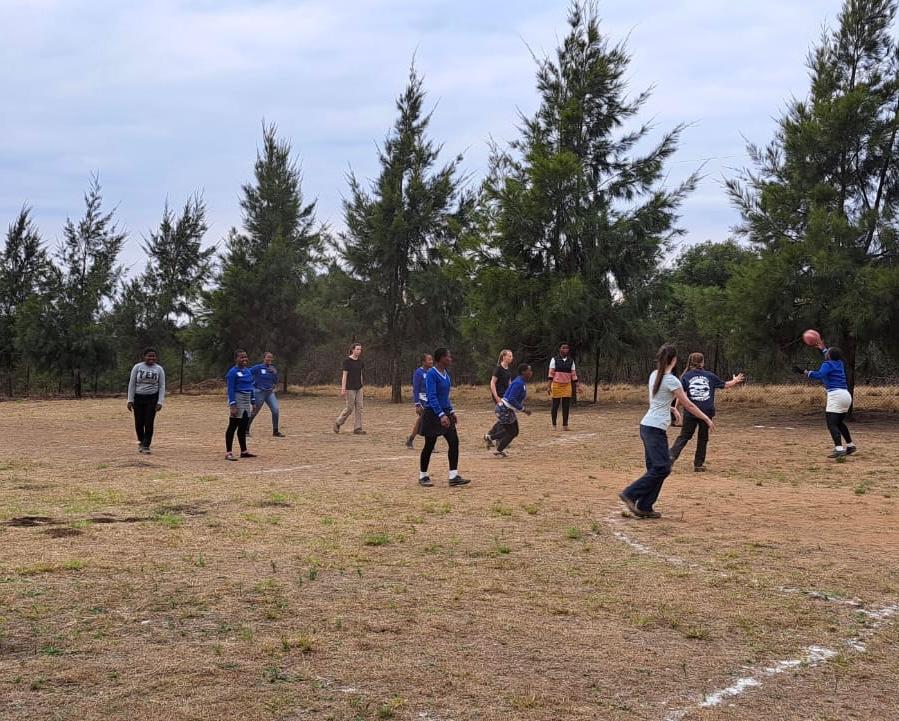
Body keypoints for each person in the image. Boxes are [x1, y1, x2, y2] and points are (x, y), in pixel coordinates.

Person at [619, 344, 715, 519]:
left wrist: (671, 409)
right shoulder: (671, 380)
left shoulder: (654, 375)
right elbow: (689, 404)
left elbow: (657, 400)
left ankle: (645, 506)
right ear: (674, 360)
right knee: (662, 468)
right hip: (654, 429)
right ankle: (630, 494)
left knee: (655, 468)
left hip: (647, 426)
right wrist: (706, 418)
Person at [670, 352, 745, 471]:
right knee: (703, 438)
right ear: (702, 362)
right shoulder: (709, 375)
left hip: (691, 412)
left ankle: (671, 457)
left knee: (684, 436)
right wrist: (735, 380)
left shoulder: (685, 376)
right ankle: (698, 464)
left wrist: (677, 408)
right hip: (706, 411)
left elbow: (681, 396)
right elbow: (725, 385)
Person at [418, 348, 470, 487]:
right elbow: (432, 396)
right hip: (433, 414)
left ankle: (453, 476)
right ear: (441, 359)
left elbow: (445, 397)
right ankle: (423, 475)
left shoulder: (446, 375)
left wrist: (451, 412)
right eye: (448, 357)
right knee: (429, 445)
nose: (450, 359)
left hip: (445, 412)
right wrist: (441, 415)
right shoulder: (431, 374)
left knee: (454, 442)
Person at [800, 344, 856, 458]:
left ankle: (839, 449)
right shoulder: (839, 363)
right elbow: (830, 354)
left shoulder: (827, 364)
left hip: (836, 395)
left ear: (829, 356)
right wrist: (822, 348)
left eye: (827, 352)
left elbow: (820, 374)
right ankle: (850, 446)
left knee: (831, 424)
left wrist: (805, 372)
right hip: (845, 395)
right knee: (839, 423)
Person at [127, 348, 165, 454]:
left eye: (153, 356)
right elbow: (132, 384)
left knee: (149, 422)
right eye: (149, 356)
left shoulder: (159, 369)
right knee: (139, 423)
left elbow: (162, 386)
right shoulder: (137, 367)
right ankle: (141, 441)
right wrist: (130, 400)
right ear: (144, 357)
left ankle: (146, 445)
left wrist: (160, 402)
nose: (151, 358)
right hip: (138, 398)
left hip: (152, 398)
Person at [492, 363, 533, 457]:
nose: (531, 372)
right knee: (512, 432)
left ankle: (491, 438)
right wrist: (523, 409)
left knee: (513, 431)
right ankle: (498, 448)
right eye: (529, 370)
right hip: (504, 409)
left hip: (507, 409)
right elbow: (511, 399)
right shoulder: (519, 382)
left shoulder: (521, 382)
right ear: (523, 372)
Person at [225, 349, 257, 461]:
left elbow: (251, 386)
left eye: (245, 357)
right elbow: (230, 389)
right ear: (236, 359)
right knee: (233, 426)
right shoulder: (232, 372)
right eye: (241, 357)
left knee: (243, 426)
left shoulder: (248, 371)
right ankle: (228, 452)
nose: (244, 359)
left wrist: (253, 401)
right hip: (237, 399)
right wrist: (232, 404)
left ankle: (244, 451)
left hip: (246, 399)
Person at [248, 352, 285, 437]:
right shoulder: (258, 367)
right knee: (255, 411)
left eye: (271, 358)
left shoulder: (272, 369)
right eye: (268, 357)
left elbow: (275, 381)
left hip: (269, 392)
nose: (269, 359)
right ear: (264, 358)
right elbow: (248, 373)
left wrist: (275, 373)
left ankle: (275, 431)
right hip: (259, 392)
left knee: (275, 410)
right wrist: (252, 384)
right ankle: (246, 429)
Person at [483, 349, 514, 449]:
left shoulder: (508, 369)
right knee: (505, 418)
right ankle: (498, 440)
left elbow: (509, 383)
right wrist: (496, 397)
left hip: (506, 396)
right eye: (509, 356)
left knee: (505, 418)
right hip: (499, 396)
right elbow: (492, 383)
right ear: (504, 357)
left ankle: (489, 436)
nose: (511, 358)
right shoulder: (498, 369)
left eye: (511, 356)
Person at [334, 343, 365, 435]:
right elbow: (344, 375)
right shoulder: (347, 361)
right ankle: (338, 422)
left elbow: (360, 374)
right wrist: (343, 388)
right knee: (350, 408)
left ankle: (358, 428)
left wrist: (362, 385)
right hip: (350, 388)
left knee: (359, 407)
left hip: (359, 387)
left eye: (360, 349)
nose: (359, 351)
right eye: (357, 349)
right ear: (353, 350)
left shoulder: (360, 362)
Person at [548, 342, 578, 430]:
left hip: (567, 385)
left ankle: (565, 425)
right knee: (555, 405)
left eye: (567, 348)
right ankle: (554, 425)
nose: (565, 350)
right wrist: (549, 386)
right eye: (563, 348)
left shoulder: (571, 361)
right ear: (560, 349)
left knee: (566, 406)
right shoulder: (554, 360)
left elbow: (574, 374)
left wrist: (578, 386)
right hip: (557, 384)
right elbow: (551, 374)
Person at [406, 353, 434, 449]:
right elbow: (416, 388)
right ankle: (430, 445)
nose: (431, 361)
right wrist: (417, 403)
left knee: (422, 421)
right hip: (422, 400)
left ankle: (410, 439)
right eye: (429, 360)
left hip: (431, 400)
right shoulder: (419, 372)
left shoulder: (433, 372)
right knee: (428, 421)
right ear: (423, 362)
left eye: (431, 359)